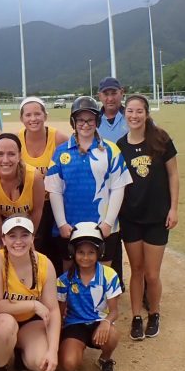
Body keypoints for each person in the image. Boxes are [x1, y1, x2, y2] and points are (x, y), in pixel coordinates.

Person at [45, 96, 132, 283]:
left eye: (90, 120)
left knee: (103, 273)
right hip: (70, 225)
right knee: (69, 271)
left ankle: (102, 310)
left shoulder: (111, 150)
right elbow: (54, 190)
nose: (85, 124)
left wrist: (109, 222)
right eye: (80, 120)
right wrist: (61, 223)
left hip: (103, 225)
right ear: (73, 122)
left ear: (97, 121)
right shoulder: (61, 152)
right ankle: (70, 310)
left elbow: (118, 187)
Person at [117, 94, 179, 340]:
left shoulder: (161, 140)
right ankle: (136, 316)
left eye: (139, 111)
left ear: (146, 113)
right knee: (137, 270)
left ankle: (154, 312)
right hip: (131, 217)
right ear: (125, 114)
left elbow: (173, 175)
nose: (134, 115)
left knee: (152, 274)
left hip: (157, 217)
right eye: (130, 111)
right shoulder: (120, 146)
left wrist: (173, 208)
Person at [0, 216, 59, 371]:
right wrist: (32, 304)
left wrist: (53, 351)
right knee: (4, 325)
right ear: (3, 239)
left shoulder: (44, 263)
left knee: (41, 363)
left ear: (33, 238)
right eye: (12, 236)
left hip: (29, 323)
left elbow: (53, 310)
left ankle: (19, 352)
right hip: (1, 320)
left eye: (24, 235)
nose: (18, 241)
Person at [57, 223, 122, 371]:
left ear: (99, 252)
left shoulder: (109, 275)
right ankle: (75, 348)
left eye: (91, 252)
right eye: (81, 252)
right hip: (74, 324)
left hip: (98, 322)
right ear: (73, 252)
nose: (85, 257)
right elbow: (60, 313)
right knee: (69, 364)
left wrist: (106, 322)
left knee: (112, 334)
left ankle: (105, 360)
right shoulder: (64, 280)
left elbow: (114, 311)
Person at [18, 96, 68, 261]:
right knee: (34, 251)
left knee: (56, 252)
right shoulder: (16, 140)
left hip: (55, 205)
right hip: (29, 206)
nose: (33, 119)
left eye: (37, 114)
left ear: (45, 116)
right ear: (22, 118)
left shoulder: (58, 139)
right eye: (28, 115)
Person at [0, 133, 46, 247]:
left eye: (11, 154)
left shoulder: (34, 177)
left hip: (28, 222)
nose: (5, 160)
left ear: (19, 156)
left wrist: (29, 239)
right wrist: (4, 241)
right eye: (0, 154)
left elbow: (37, 211)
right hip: (2, 224)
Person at [96, 76, 128, 144]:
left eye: (114, 93)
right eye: (106, 94)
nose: (110, 99)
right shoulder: (94, 120)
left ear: (122, 93)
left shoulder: (132, 117)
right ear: (99, 96)